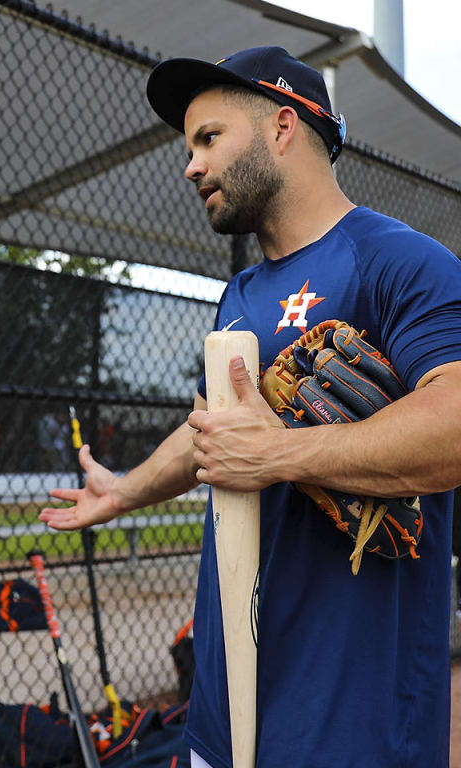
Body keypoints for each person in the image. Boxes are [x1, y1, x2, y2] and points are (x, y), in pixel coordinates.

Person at [41, 46, 461, 768]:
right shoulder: (241, 294)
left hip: (354, 717)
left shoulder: (399, 261)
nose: (191, 165)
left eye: (209, 138)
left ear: (284, 128)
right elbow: (214, 430)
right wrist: (125, 491)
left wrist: (281, 454)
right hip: (227, 706)